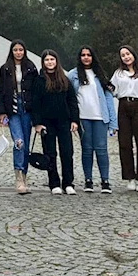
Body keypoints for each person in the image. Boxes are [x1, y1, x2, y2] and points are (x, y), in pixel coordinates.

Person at [67, 46, 116, 194]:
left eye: (89, 55)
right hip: (83, 118)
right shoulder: (72, 75)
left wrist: (113, 122)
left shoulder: (100, 74)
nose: (86, 57)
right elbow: (69, 96)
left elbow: (108, 98)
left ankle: (105, 181)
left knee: (101, 149)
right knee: (87, 150)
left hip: (100, 117)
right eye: (83, 55)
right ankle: (88, 180)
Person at [32, 49, 79, 196]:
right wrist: (37, 123)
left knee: (67, 152)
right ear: (43, 62)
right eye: (47, 60)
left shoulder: (64, 79)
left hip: (64, 121)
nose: (50, 62)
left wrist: (74, 120)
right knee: (50, 153)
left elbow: (72, 101)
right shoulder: (39, 81)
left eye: (52, 59)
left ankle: (68, 183)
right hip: (47, 123)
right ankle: (54, 183)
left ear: (56, 61)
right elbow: (35, 103)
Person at [0, 39, 38, 194]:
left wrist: (37, 115)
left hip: (27, 108)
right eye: (15, 50)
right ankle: (18, 177)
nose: (18, 52)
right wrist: (1, 112)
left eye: (21, 49)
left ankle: (25, 176)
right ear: (11, 51)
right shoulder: (5, 68)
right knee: (18, 142)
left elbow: (36, 90)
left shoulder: (31, 67)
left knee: (25, 144)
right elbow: (1, 91)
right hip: (12, 108)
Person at [111, 45, 138, 192]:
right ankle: (130, 177)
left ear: (133, 54)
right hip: (123, 106)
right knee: (125, 143)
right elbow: (111, 89)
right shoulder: (119, 73)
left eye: (128, 54)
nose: (126, 57)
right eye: (123, 55)